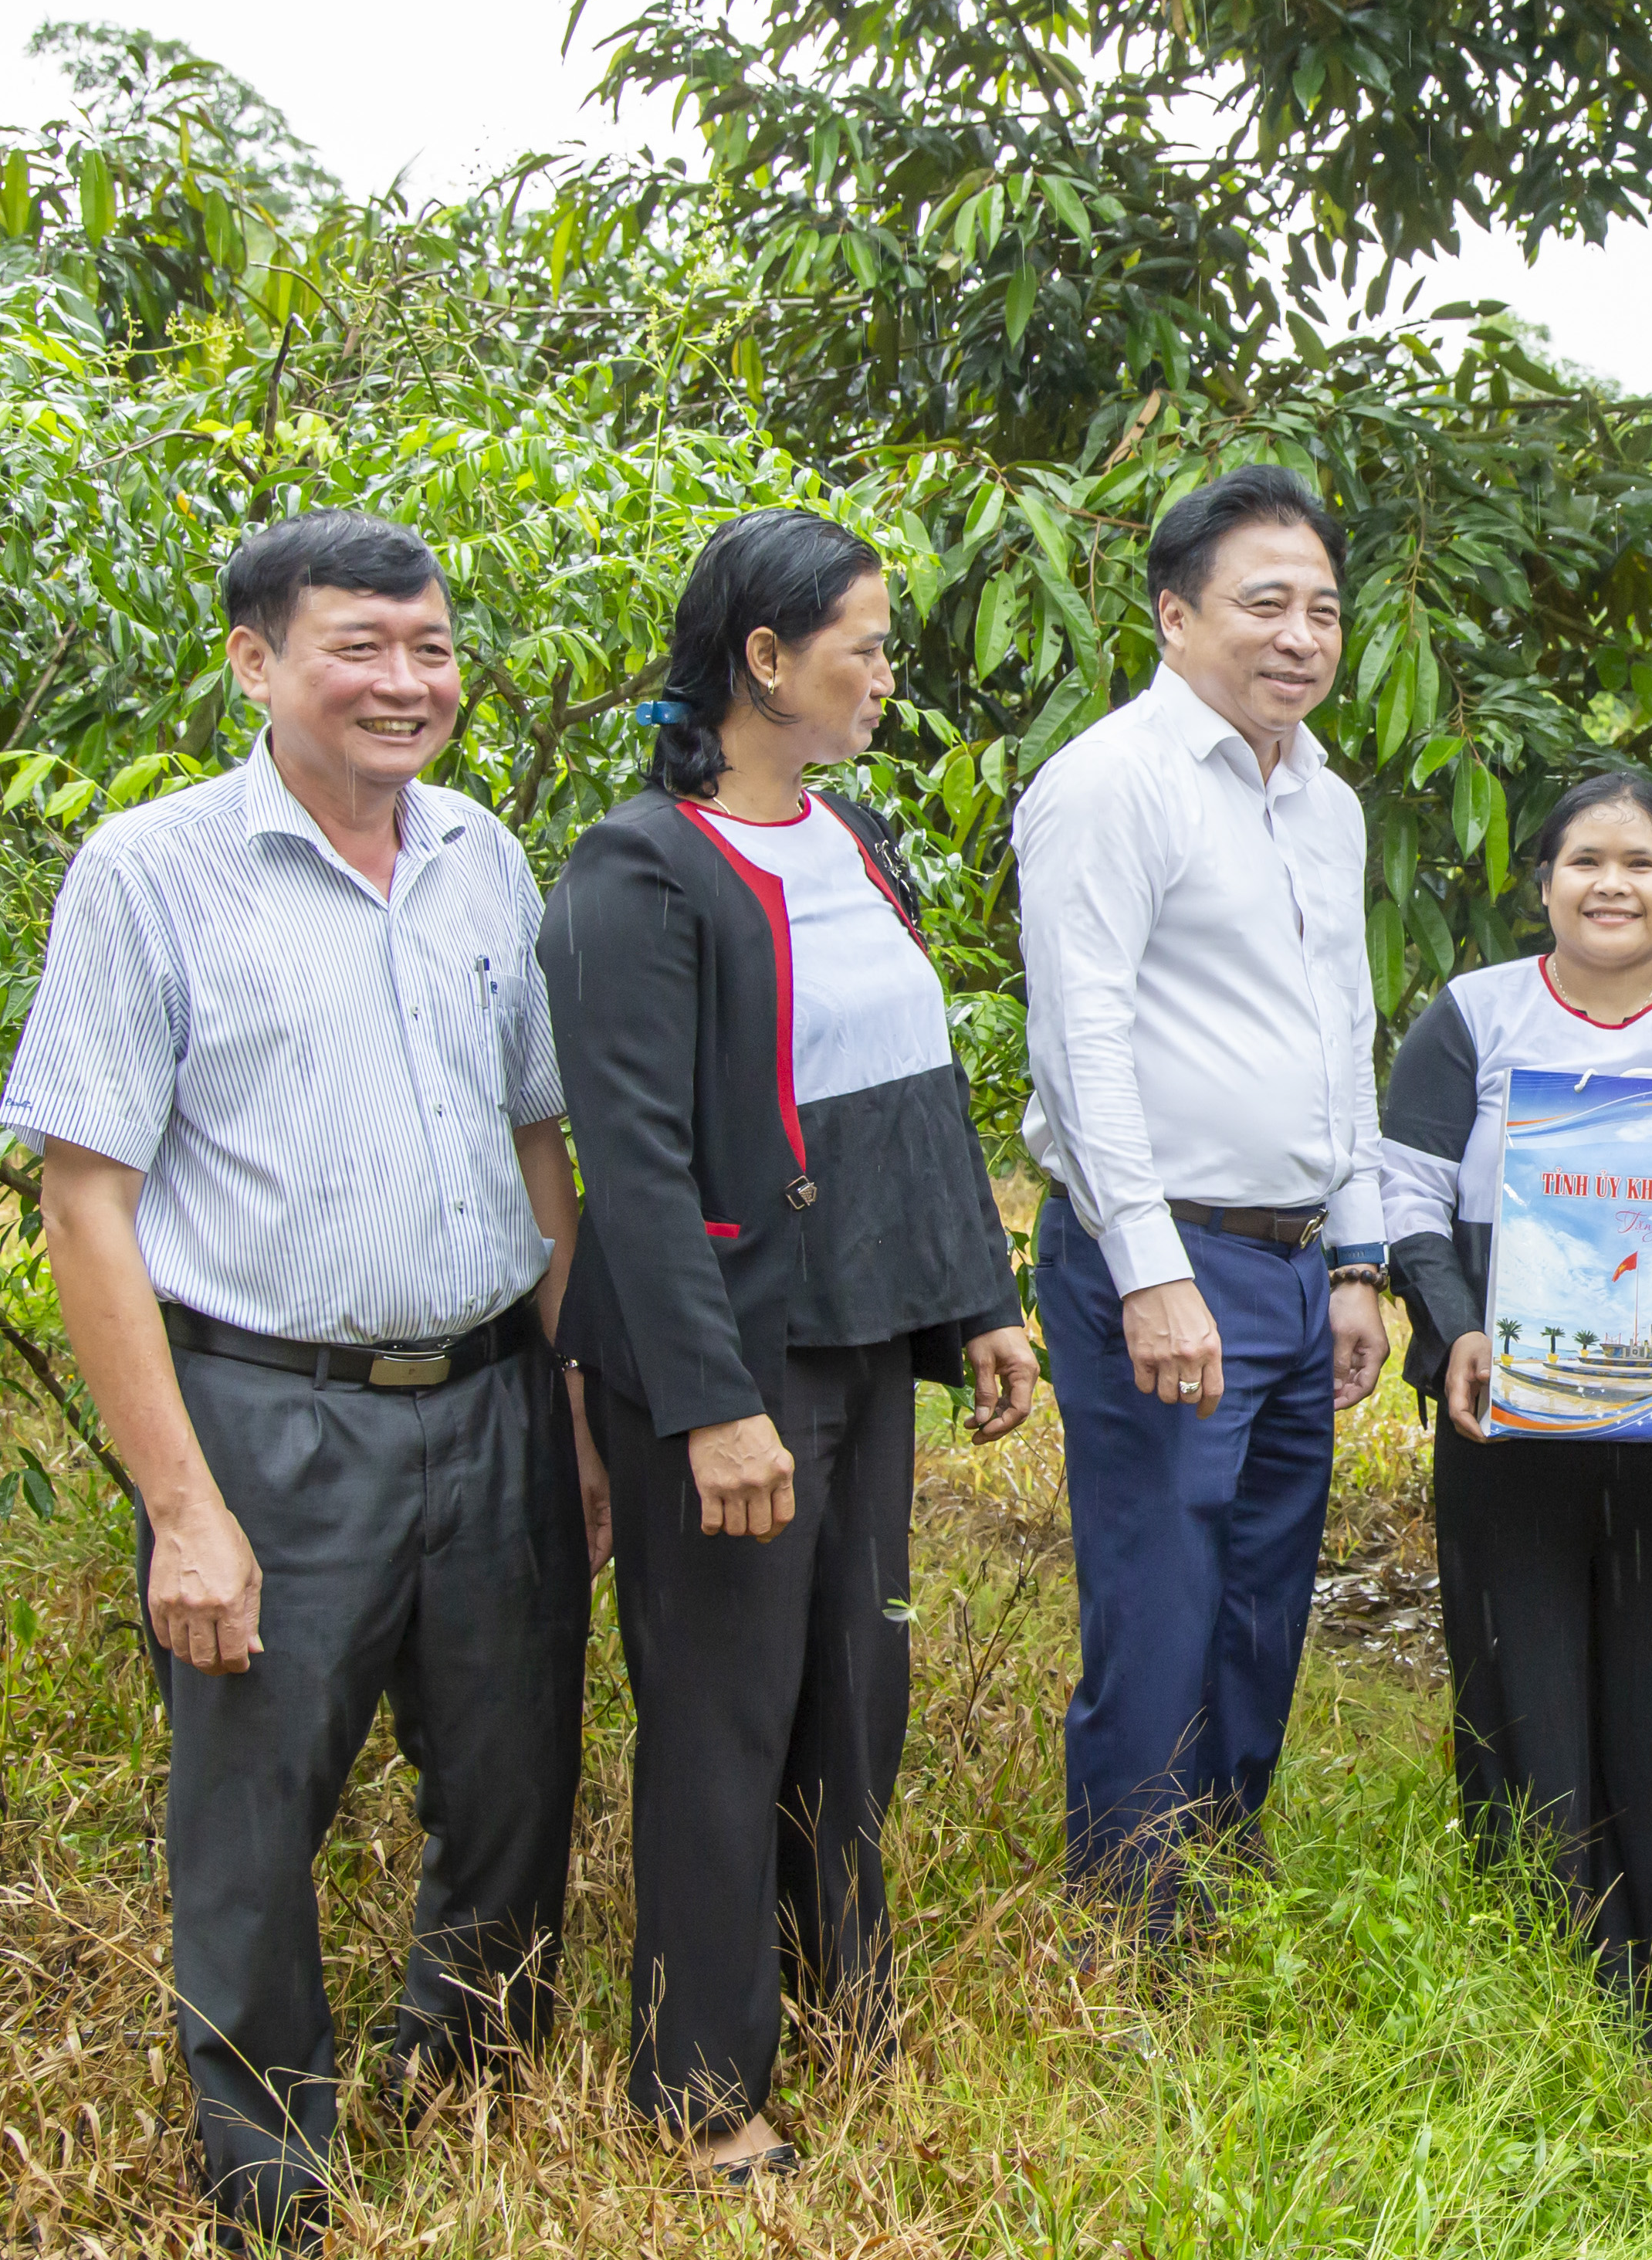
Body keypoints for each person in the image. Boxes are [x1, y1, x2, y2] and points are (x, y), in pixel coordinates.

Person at [0, 510, 604, 2249]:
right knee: (254, 1812)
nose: (404, 682)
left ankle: (471, 2065)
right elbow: (88, 1202)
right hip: (271, 1415)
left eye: (429, 647)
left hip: (494, 1393)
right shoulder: (150, 871)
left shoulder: (488, 852)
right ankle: (272, 2172)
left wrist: (573, 1401)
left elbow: (536, 1140)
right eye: (359, 647)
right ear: (259, 661)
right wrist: (184, 1507)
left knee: (514, 1778)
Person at [539, 508, 1038, 2180]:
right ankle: (699, 2089)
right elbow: (636, 1163)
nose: (888, 676)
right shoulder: (642, 870)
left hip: (853, 1336)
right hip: (725, 1368)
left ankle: (842, 2011)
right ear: (766, 661)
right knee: (722, 1707)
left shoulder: (858, 835)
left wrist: (981, 1301)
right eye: (866, 646)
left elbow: (913, 1094)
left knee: (854, 1687)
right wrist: (709, 1405)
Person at [1013, 464, 1393, 1935]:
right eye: (1263, 604)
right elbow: (1080, 1037)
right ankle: (1129, 1924)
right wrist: (1150, 1268)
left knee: (1264, 1596)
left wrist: (1357, 1256)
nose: (1299, 636)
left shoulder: (1327, 802)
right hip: (1164, 1256)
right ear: (1174, 616)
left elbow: (1339, 1024)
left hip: (1296, 1264)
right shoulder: (1112, 783)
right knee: (1162, 1595)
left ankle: (1222, 1881)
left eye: (1324, 608)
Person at [1379, 769, 1652, 2081]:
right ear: (1545, 880)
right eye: (1584, 861)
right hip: (1505, 1416)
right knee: (1518, 1685)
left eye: (1643, 863)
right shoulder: (1471, 1020)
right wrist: (1452, 1328)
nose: (1612, 885)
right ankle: (1536, 2003)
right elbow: (1406, 1197)